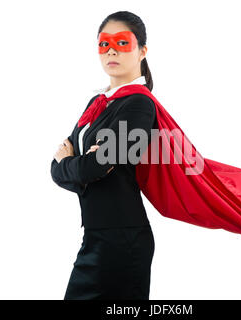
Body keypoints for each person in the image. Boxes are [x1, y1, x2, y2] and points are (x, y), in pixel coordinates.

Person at [50, 11, 157, 300]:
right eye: (104, 43)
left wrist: (71, 164)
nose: (111, 50)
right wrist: (78, 166)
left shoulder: (139, 105)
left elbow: (92, 168)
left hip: (122, 239)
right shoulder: (97, 103)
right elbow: (58, 169)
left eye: (122, 42)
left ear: (142, 51)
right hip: (96, 236)